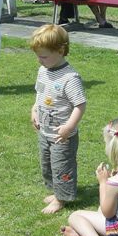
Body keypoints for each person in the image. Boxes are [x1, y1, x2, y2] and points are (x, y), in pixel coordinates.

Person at [30, 24, 87, 214]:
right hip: (45, 131)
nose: (40, 60)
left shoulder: (70, 78)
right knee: (47, 164)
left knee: (62, 166)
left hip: (63, 135)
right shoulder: (43, 70)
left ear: (61, 51)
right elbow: (40, 93)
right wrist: (34, 110)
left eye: (44, 56)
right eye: (38, 55)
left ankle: (61, 199)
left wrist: (69, 127)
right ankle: (56, 192)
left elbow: (80, 105)